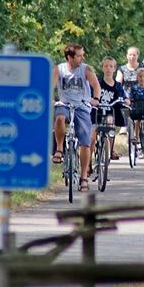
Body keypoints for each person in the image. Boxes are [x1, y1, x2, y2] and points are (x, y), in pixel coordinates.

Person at [52, 43, 101, 192]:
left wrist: (96, 99)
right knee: (59, 117)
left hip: (82, 106)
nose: (82, 58)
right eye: (79, 55)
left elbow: (96, 86)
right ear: (70, 57)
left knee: (85, 142)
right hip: (64, 103)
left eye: (82, 55)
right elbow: (51, 85)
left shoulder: (85, 69)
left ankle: (84, 177)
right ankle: (59, 148)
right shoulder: (59, 69)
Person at [90, 56, 129, 163]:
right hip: (96, 113)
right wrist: (91, 99)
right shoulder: (97, 83)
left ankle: (109, 151)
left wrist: (126, 100)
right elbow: (89, 93)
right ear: (102, 68)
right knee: (92, 137)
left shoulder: (118, 86)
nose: (108, 69)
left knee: (111, 130)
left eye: (111, 66)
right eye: (106, 66)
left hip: (109, 113)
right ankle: (88, 162)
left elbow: (123, 96)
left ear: (114, 69)